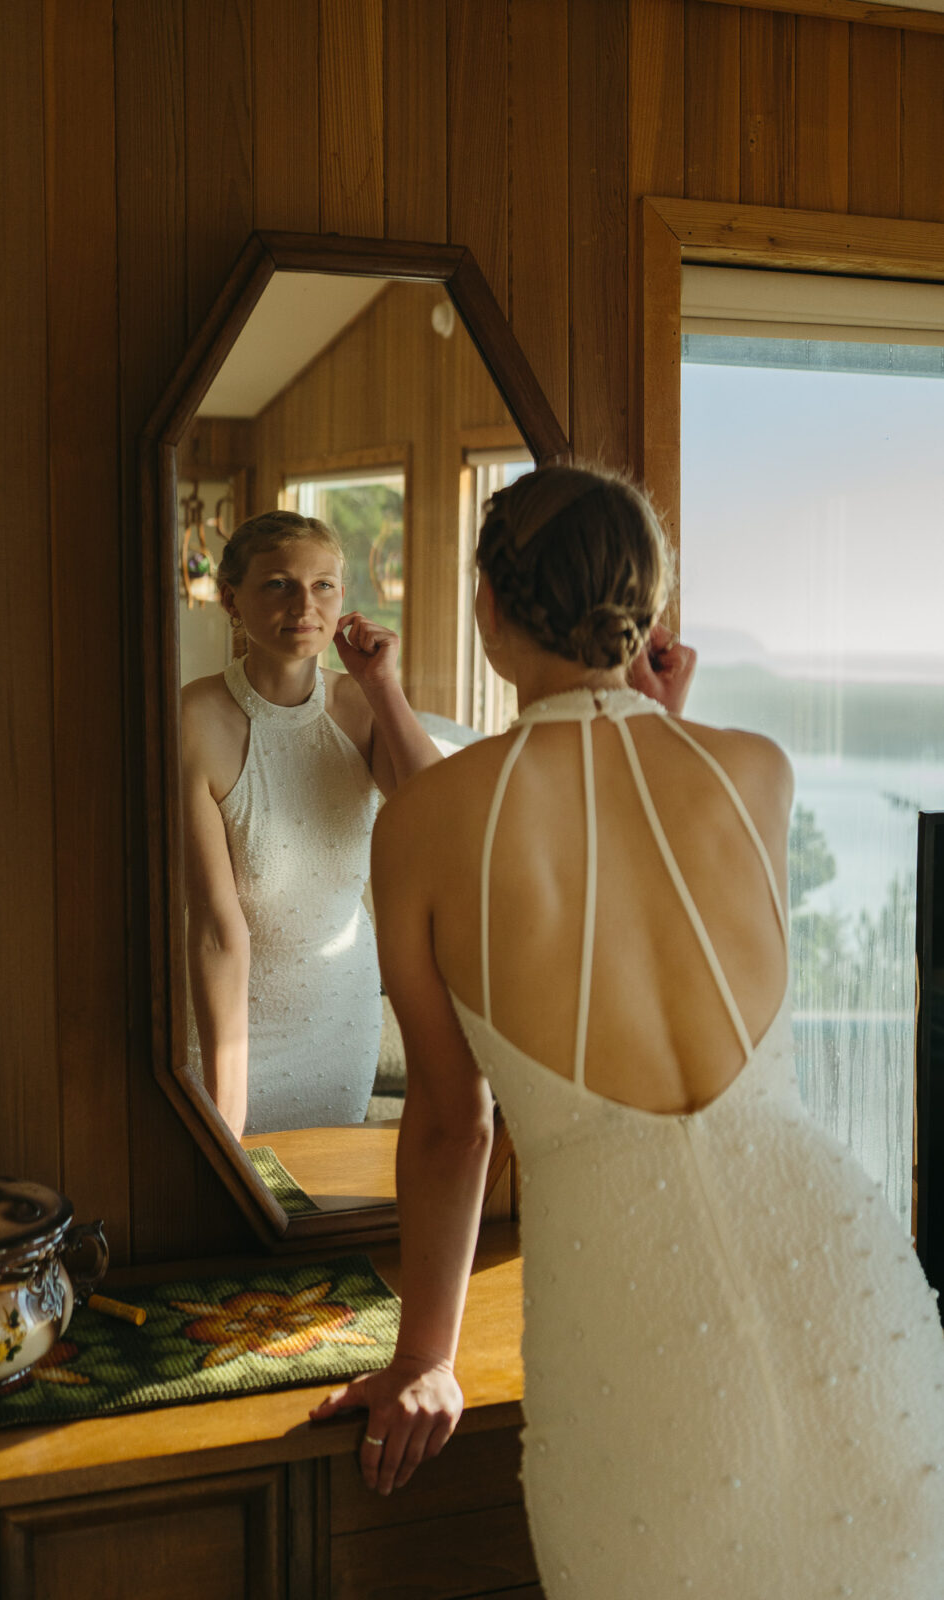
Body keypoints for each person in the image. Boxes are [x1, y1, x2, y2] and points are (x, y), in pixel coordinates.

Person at [311, 466, 944, 1597]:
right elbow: (651, 874)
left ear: (488, 611)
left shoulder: (421, 823)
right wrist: (664, 726)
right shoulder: (755, 771)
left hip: (633, 1314)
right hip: (847, 1289)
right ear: (645, 614)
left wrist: (425, 1359)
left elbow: (454, 1126)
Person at [181, 509, 438, 1139]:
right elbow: (218, 927)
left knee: (326, 1203)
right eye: (278, 584)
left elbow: (441, 818)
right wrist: (227, 1101)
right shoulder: (194, 717)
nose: (304, 604)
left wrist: (383, 687)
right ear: (230, 598)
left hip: (339, 1013)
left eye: (323, 585)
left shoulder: (361, 705)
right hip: (232, 1018)